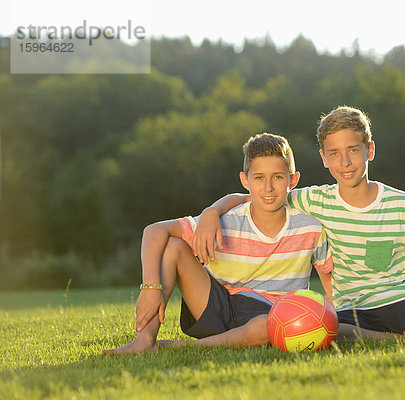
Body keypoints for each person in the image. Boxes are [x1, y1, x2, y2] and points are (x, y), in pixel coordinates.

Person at [193, 106, 405, 346]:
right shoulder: (314, 200)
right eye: (334, 154)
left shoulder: (402, 205)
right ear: (324, 158)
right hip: (353, 311)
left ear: (370, 150)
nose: (345, 162)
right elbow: (260, 193)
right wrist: (212, 211)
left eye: (353, 150)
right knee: (333, 329)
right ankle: (393, 337)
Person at [103, 133, 334, 354]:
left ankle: (180, 347)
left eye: (278, 177)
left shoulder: (310, 228)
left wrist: (335, 317)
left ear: (292, 180)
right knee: (173, 246)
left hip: (271, 316)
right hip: (215, 305)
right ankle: (145, 339)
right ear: (245, 181)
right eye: (259, 178)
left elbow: (328, 279)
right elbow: (154, 231)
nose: (268, 187)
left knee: (264, 326)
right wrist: (150, 288)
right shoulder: (224, 220)